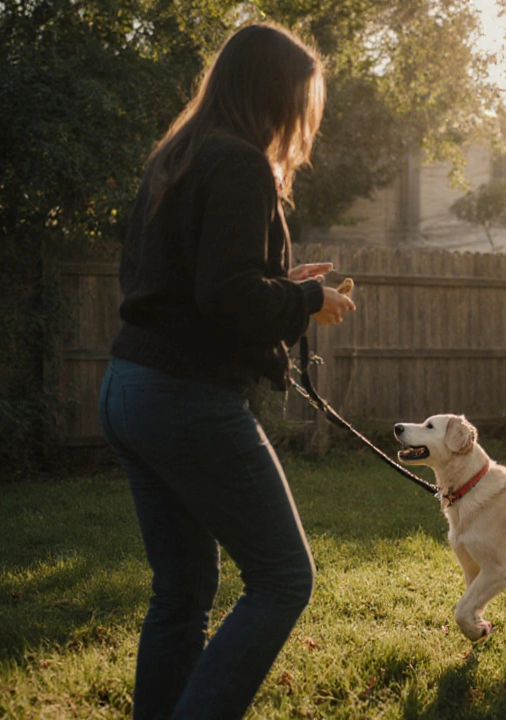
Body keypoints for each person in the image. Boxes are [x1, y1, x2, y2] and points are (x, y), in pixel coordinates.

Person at [97, 22, 355, 720]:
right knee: (283, 578)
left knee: (181, 591)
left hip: (128, 387)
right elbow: (226, 294)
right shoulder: (240, 163)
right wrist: (307, 299)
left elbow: (193, 283)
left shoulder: (177, 156)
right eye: (299, 101)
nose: (300, 120)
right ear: (271, 94)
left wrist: (283, 285)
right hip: (186, 397)